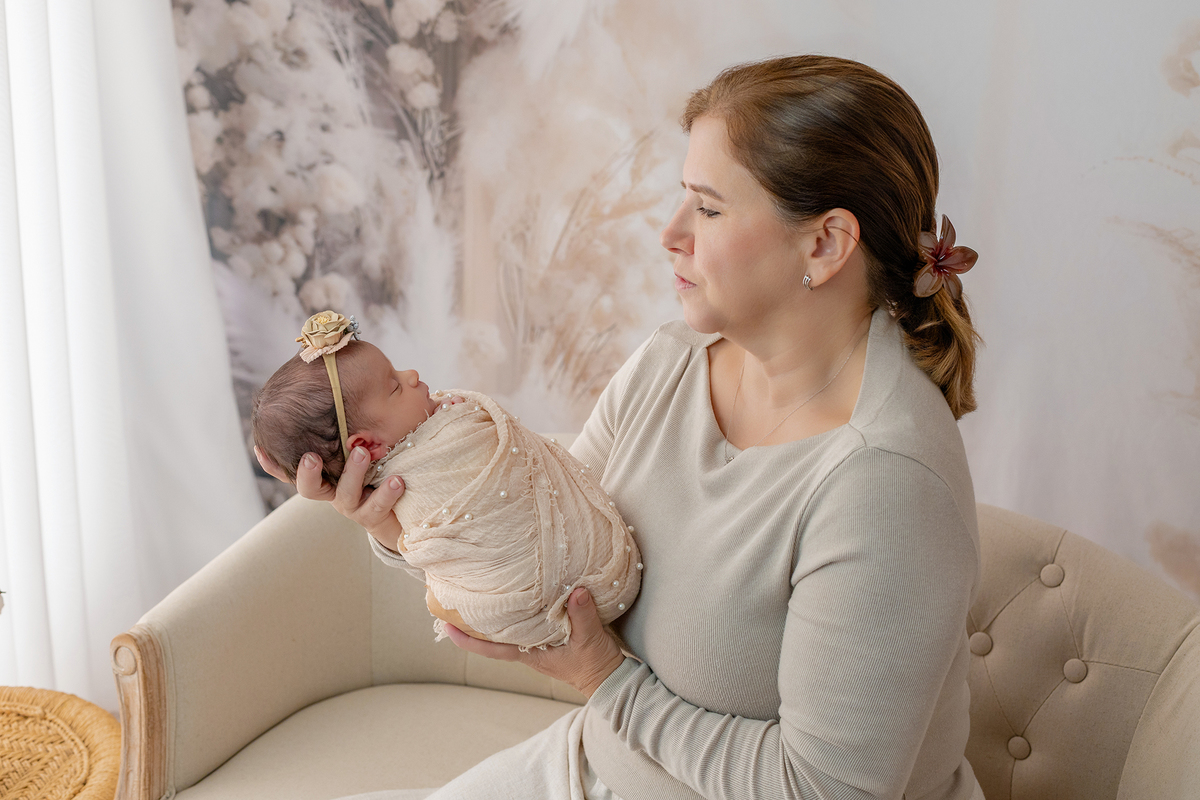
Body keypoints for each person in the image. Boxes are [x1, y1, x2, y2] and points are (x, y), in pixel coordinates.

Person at [258, 54, 985, 800]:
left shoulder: (885, 482)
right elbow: (550, 549)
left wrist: (603, 678)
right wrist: (402, 518)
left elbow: (828, 790)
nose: (670, 233)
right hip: (592, 769)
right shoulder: (672, 366)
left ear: (825, 244)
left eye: (708, 208)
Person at [252, 311, 640, 650]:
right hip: (541, 600)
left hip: (588, 588)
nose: (412, 375)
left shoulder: (446, 433)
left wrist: (458, 419)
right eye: (394, 386)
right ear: (367, 445)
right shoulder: (407, 485)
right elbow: (442, 552)